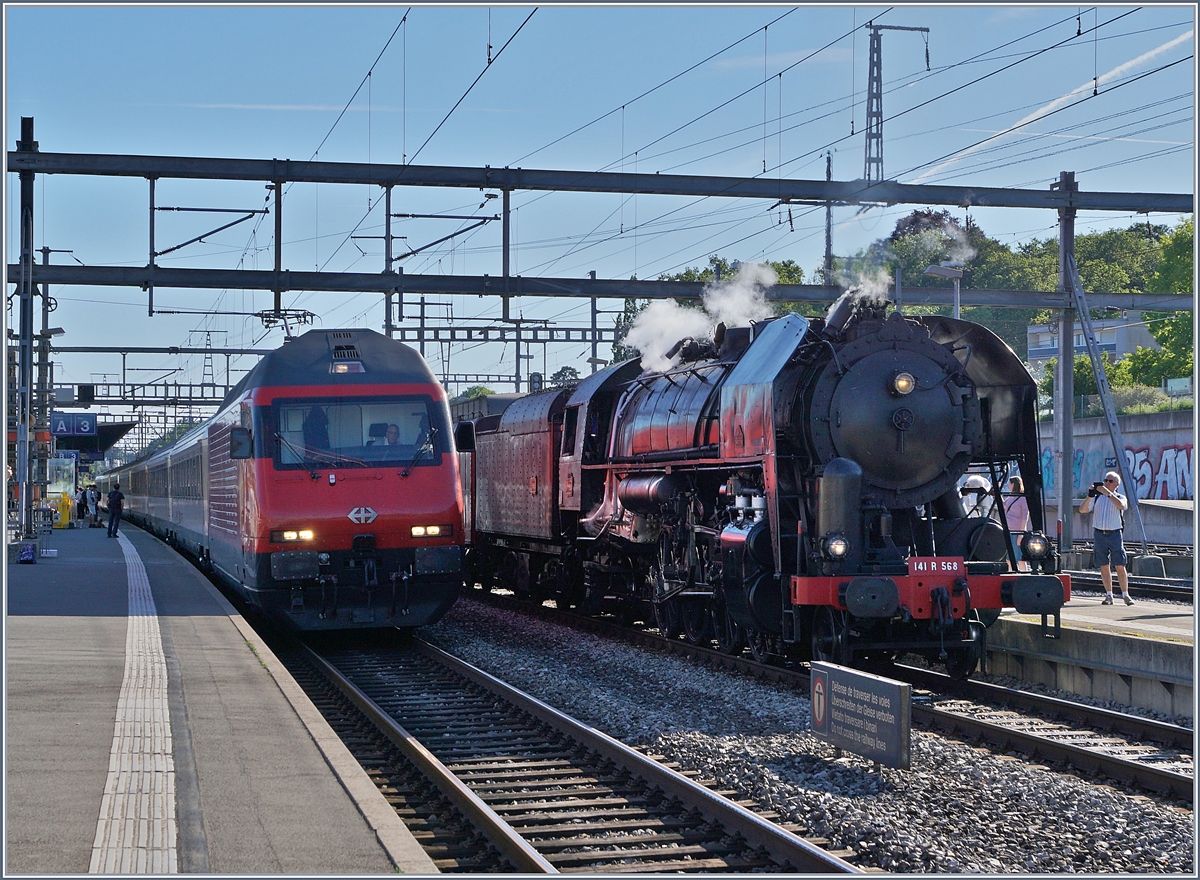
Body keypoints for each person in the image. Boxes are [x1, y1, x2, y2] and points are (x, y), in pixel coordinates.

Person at [1078, 471, 1133, 606]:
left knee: (1120, 564)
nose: (1106, 483)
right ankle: (1109, 595)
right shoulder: (1097, 498)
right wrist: (1090, 495)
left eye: (1110, 481)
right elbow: (1082, 510)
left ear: (1116, 485)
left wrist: (1108, 493)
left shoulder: (1120, 497)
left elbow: (1121, 506)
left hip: (1114, 533)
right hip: (1099, 533)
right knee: (1103, 565)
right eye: (1105, 480)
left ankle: (1125, 594)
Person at [1003, 476, 1031, 571]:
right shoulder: (1010, 497)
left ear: (1013, 484)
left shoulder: (1022, 498)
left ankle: (1024, 575)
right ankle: (1011, 575)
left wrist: (1021, 533)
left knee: (1020, 559)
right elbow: (1004, 506)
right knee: (1009, 559)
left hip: (1018, 532)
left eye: (1009, 484)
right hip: (1009, 531)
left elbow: (1025, 516)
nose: (1008, 486)